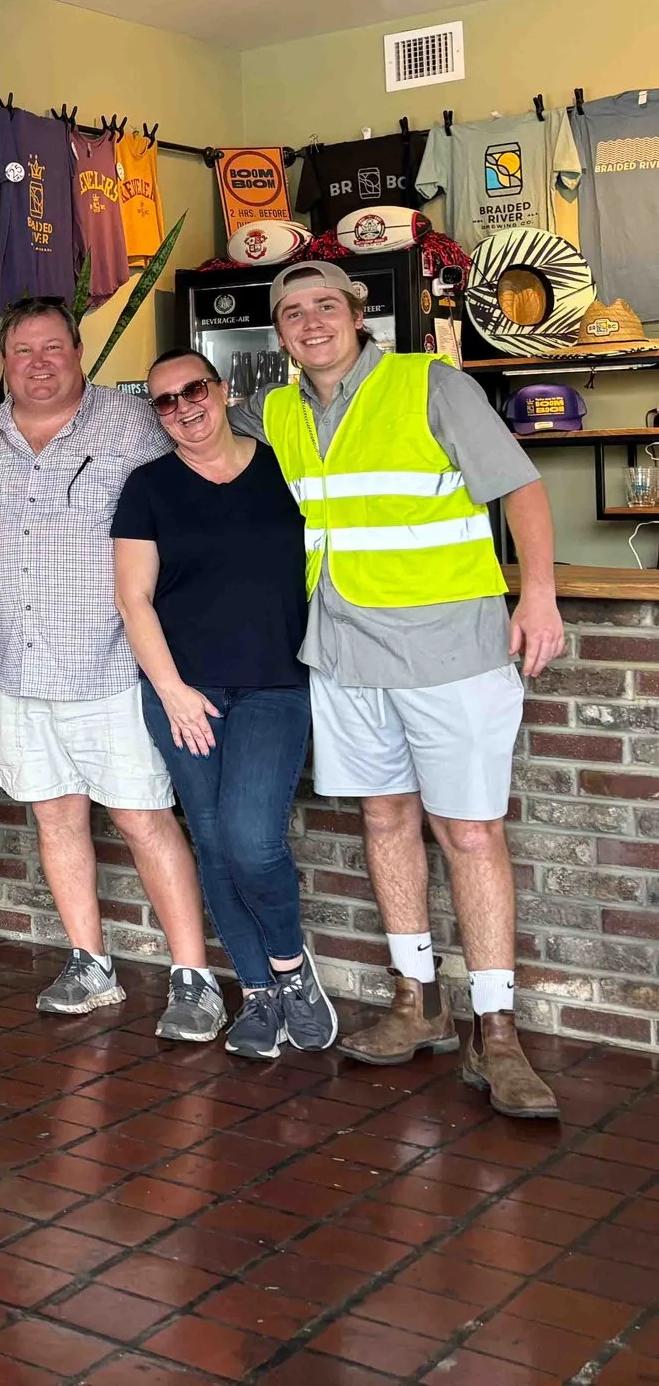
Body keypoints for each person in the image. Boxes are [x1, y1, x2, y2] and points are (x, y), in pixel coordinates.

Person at [245, 259, 562, 1119]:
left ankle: (496, 1032)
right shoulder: (274, 411)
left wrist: (536, 592)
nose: (310, 322)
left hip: (452, 650)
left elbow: (521, 486)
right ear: (277, 332)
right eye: (292, 312)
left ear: (357, 313)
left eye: (325, 305)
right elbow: (194, 432)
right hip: (345, 651)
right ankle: (416, 1001)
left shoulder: (431, 382)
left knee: (467, 831)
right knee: (383, 818)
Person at [0, 299, 220, 1041]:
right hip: (19, 668)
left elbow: (219, 467)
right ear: (4, 358)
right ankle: (90, 963)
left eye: (53, 347)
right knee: (55, 815)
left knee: (143, 817)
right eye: (21, 350)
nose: (37, 362)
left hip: (111, 665)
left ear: (79, 351)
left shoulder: (139, 421)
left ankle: (193, 977)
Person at [114, 351, 335, 1060]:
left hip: (275, 684)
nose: (182, 407)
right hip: (184, 693)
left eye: (194, 390)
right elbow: (133, 598)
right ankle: (258, 991)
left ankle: (292, 969)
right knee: (210, 839)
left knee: (251, 839)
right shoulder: (147, 487)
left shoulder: (285, 470)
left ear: (223, 389)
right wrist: (173, 690)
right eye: (164, 401)